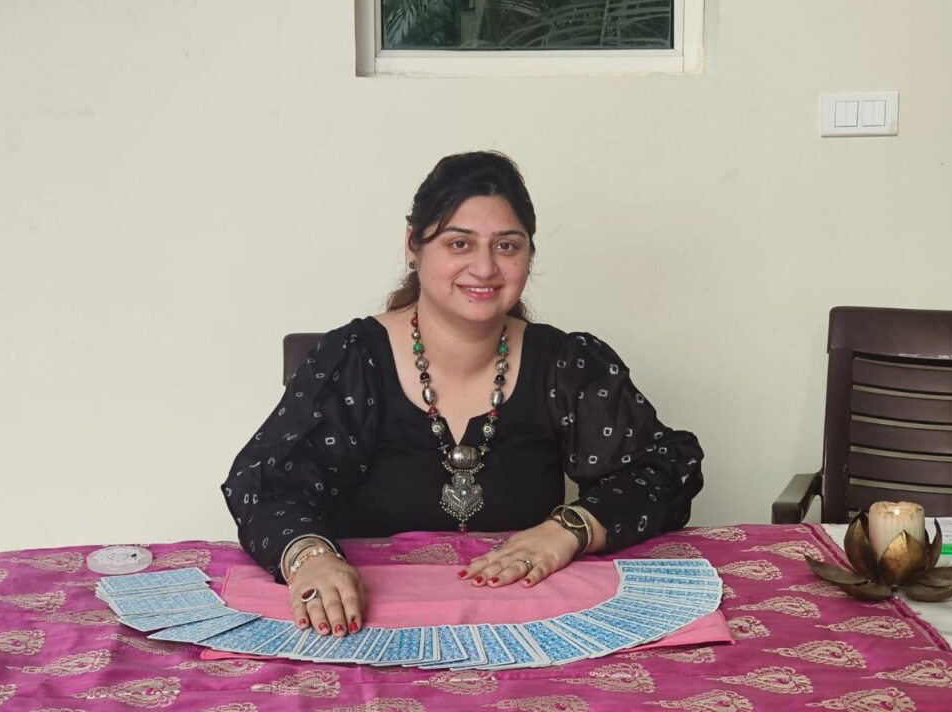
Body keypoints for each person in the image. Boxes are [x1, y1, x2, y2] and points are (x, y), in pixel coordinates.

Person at [222, 151, 704, 639]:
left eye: (507, 246)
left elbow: (667, 467)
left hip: (525, 625)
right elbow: (263, 485)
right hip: (367, 628)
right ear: (413, 244)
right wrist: (312, 558)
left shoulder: (567, 364)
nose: (485, 267)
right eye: (459, 243)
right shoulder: (351, 361)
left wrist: (569, 529)